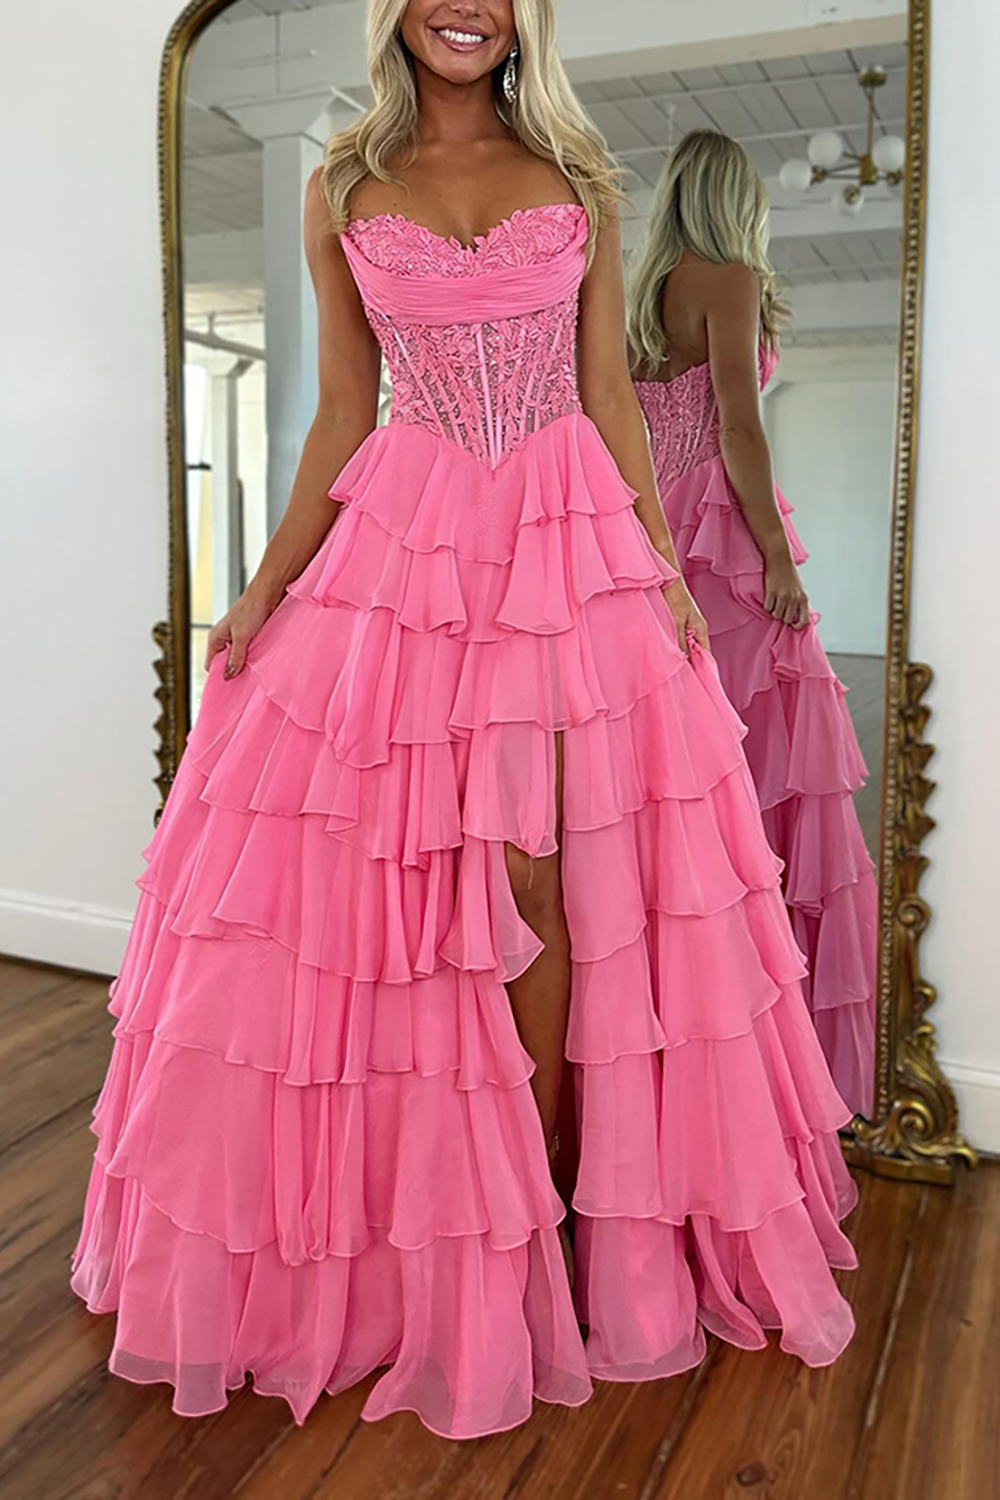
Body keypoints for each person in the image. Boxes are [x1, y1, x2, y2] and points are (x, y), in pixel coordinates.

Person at [71, 4, 857, 1440]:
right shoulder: (342, 183)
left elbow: (610, 398)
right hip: (408, 544)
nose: (467, 5)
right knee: (410, 894)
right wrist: (261, 591)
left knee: (551, 887)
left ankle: (547, 1197)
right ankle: (440, 1210)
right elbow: (340, 411)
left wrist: (663, 576)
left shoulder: (581, 177)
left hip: (562, 547)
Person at [630, 130, 877, 1119]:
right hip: (723, 544)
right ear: (736, 201)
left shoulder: (640, 297)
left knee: (683, 783)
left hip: (653, 539)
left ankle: (696, 1025)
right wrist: (775, 552)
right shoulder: (727, 277)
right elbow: (738, 424)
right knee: (768, 769)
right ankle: (768, 1034)